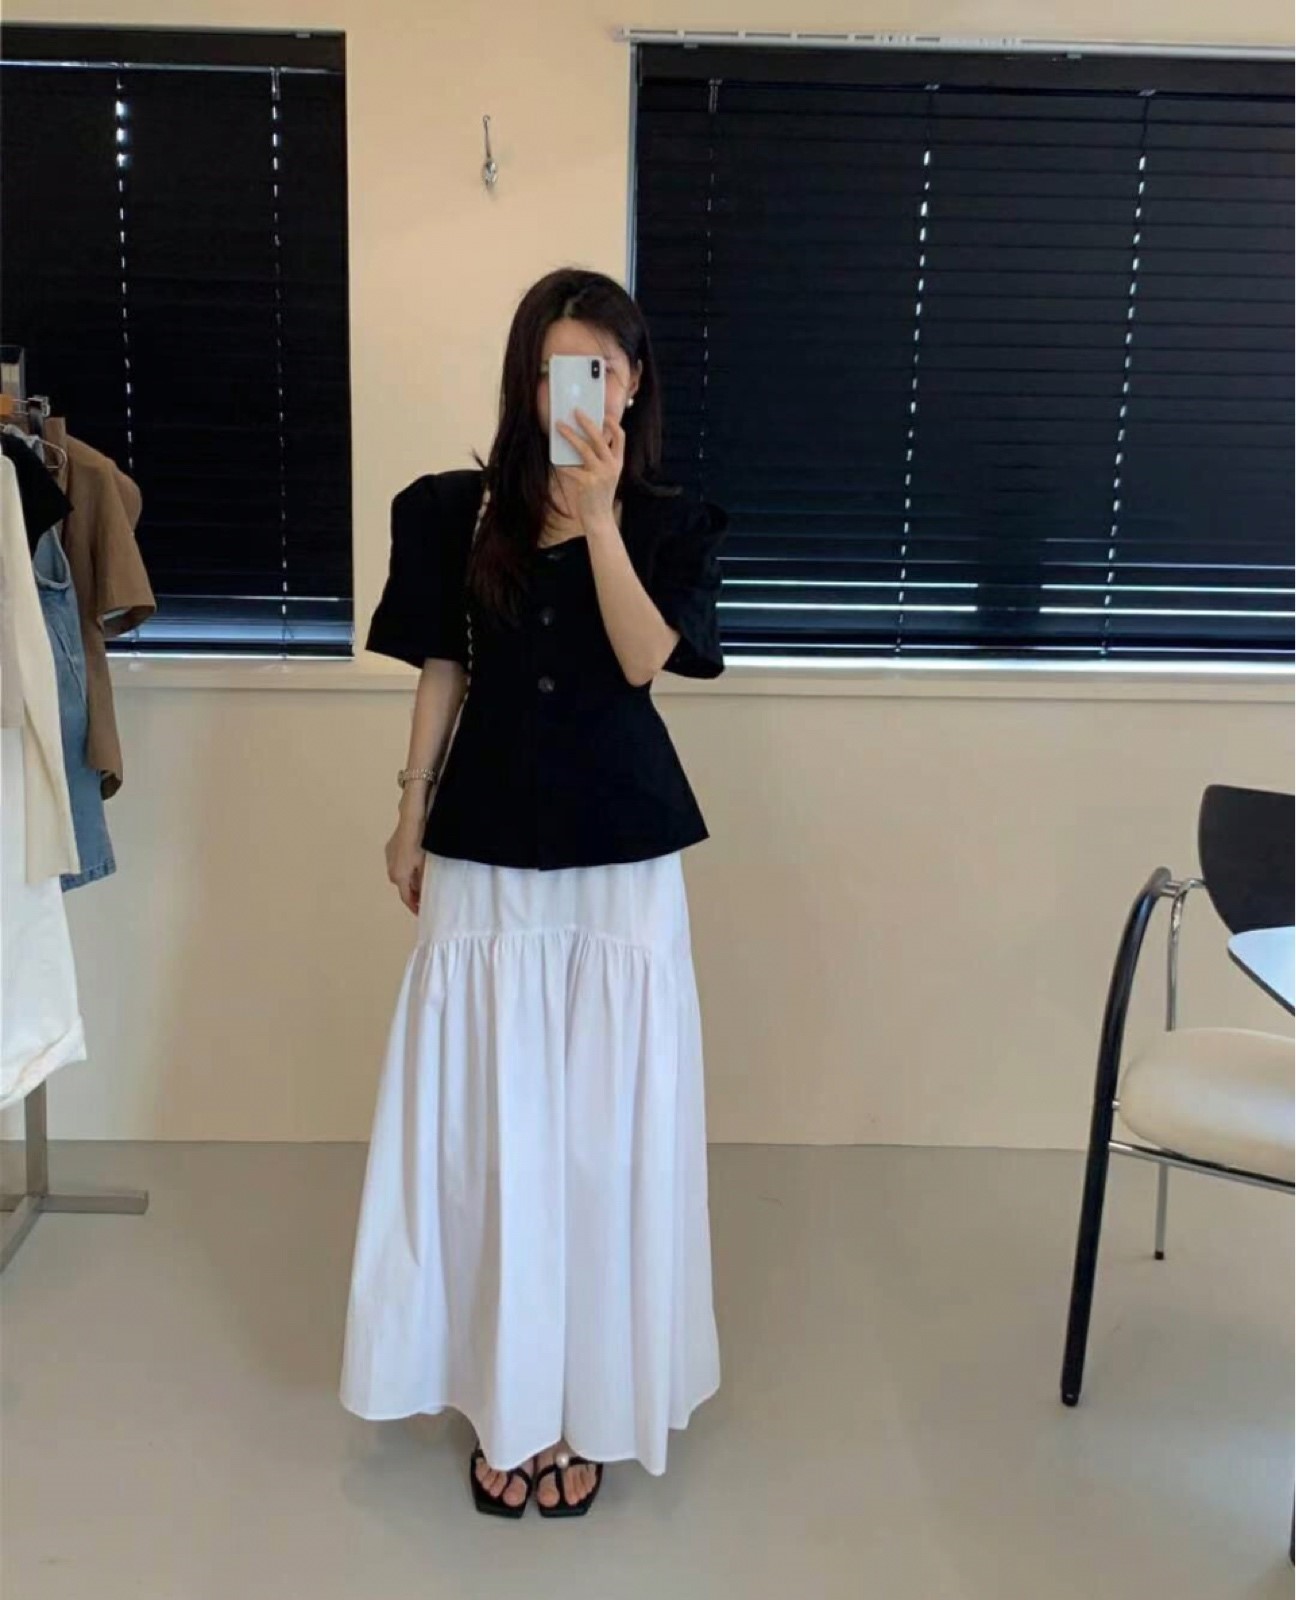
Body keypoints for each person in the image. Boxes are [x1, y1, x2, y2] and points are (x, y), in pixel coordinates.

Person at [339, 267, 728, 1519]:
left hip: (621, 864)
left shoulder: (669, 521)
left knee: (600, 1140)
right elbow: (442, 669)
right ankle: (504, 1393)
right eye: (563, 368)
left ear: (634, 383)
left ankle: (586, 1401)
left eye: (604, 369)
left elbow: (645, 660)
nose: (584, 391)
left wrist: (601, 520)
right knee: (488, 1133)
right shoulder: (450, 512)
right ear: (527, 380)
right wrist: (409, 812)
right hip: (485, 849)